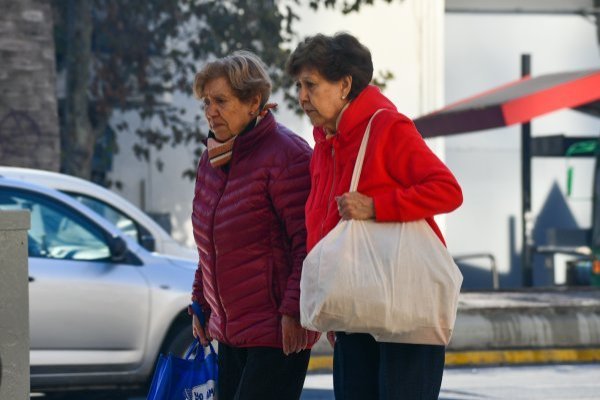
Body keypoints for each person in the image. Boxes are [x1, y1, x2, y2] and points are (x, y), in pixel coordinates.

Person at [286, 33, 463, 400]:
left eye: (311, 85)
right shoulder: (325, 142)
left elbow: (447, 190)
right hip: (356, 308)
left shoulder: (387, 127)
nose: (301, 96)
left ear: (345, 84)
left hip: (405, 310)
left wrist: (377, 206)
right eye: (299, 86)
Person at [190, 50, 318, 400]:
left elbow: (307, 244)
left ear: (253, 102)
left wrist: (292, 313)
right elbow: (210, 242)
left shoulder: (287, 155)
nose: (210, 112)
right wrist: (200, 302)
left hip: (277, 332)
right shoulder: (212, 158)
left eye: (221, 101)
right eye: (206, 102)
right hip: (231, 332)